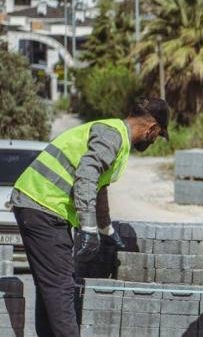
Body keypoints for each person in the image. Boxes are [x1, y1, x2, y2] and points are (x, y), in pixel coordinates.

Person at [13, 97, 169, 337]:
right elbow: (87, 175)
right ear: (152, 128)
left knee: (50, 289)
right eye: (158, 135)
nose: (154, 140)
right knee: (61, 288)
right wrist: (88, 227)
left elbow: (99, 186)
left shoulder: (115, 135)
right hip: (43, 205)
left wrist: (105, 228)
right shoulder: (113, 136)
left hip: (39, 205)